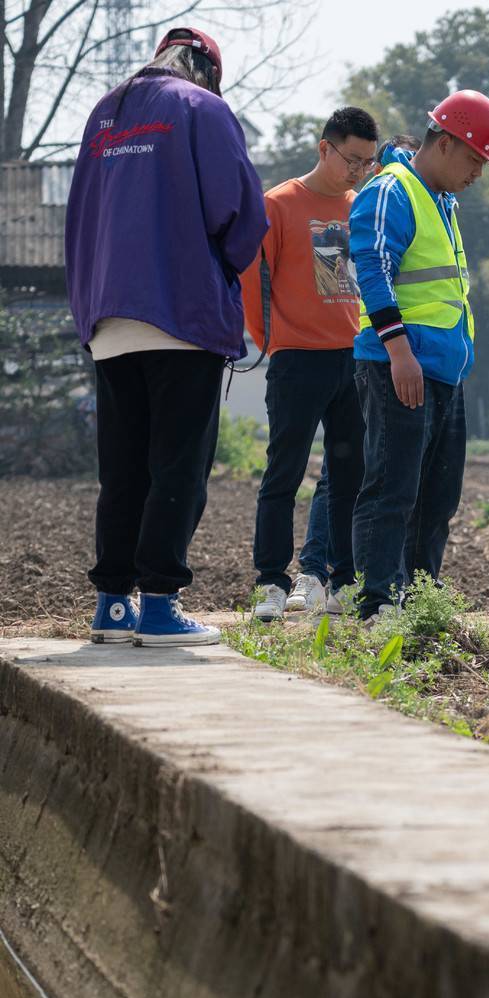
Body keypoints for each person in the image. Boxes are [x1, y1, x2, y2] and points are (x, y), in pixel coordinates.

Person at [65, 26, 266, 646]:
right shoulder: (203, 108)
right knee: (177, 467)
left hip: (108, 317)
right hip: (180, 313)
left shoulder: (106, 111)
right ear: (205, 70)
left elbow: (80, 213)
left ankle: (113, 608)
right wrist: (223, 274)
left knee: (123, 469)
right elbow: (241, 214)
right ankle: (158, 606)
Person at [349, 92, 489, 622]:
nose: (478, 173)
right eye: (474, 160)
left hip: (442, 371)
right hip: (401, 366)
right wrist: (399, 352)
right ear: (444, 143)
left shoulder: (441, 202)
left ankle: (420, 599)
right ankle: (377, 604)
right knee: (393, 486)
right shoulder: (393, 190)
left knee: (438, 495)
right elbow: (372, 270)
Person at [243, 108, 379, 621]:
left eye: (367, 162)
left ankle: (342, 580)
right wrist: (274, 343)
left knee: (349, 476)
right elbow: (252, 288)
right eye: (352, 159)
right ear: (325, 149)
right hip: (297, 360)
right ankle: (271, 583)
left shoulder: (361, 205)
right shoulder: (278, 205)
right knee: (284, 472)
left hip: (353, 358)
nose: (359, 171)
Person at [288, 135, 420, 609]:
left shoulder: (402, 203)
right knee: (338, 470)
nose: (372, 170)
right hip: (346, 352)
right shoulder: (348, 208)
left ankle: (352, 579)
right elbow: (335, 289)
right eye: (367, 162)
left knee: (363, 470)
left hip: (369, 351)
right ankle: (313, 571)